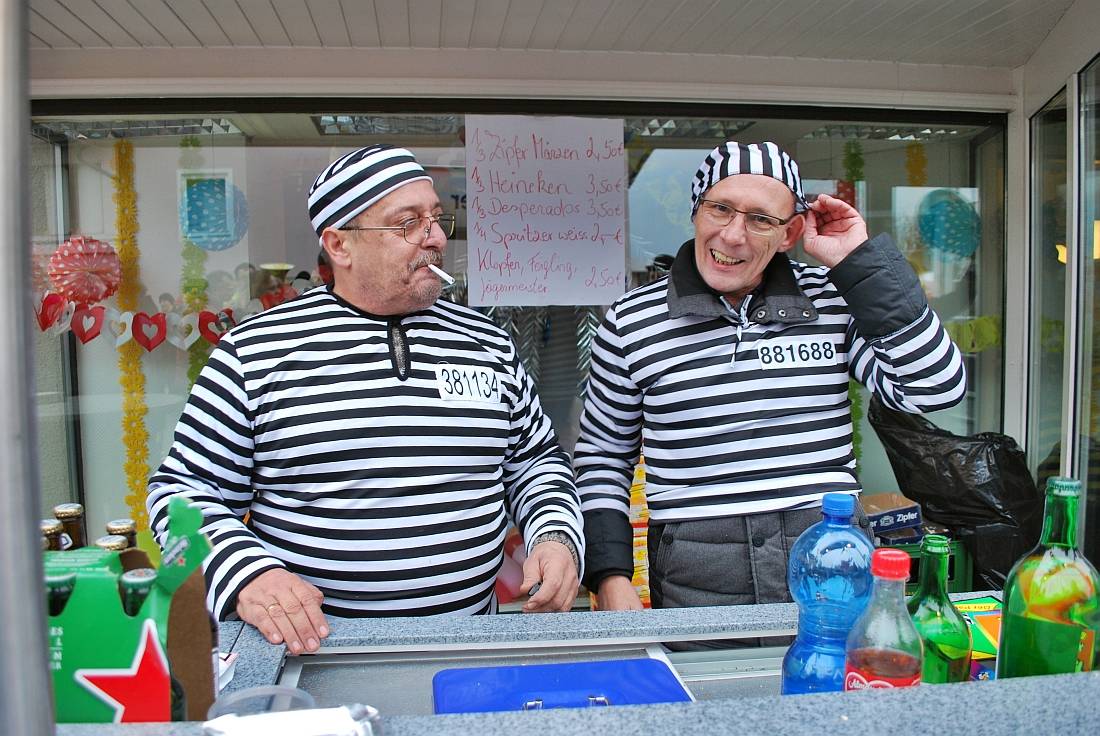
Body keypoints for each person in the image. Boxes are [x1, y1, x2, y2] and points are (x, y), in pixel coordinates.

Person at [148, 145, 584, 655]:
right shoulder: (254, 352)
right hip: (312, 658)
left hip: (471, 649)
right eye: (408, 224)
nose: (436, 238)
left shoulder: (485, 342)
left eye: (436, 218)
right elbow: (180, 494)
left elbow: (536, 462)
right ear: (339, 244)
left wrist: (555, 535)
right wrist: (247, 574)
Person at [574, 141, 965, 616]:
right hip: (696, 566)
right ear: (697, 212)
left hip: (829, 554)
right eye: (720, 208)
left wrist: (860, 264)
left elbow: (935, 387)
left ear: (790, 233)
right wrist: (610, 577)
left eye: (760, 219)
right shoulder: (632, 319)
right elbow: (602, 456)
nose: (732, 235)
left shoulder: (831, 298)